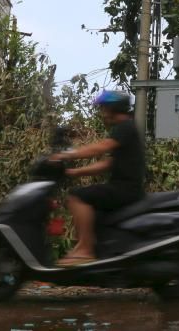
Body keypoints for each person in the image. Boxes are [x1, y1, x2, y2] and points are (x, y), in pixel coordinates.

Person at [50, 90, 145, 266]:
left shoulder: (125, 127)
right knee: (95, 212)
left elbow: (100, 147)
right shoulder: (126, 129)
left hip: (126, 189)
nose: (102, 113)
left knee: (77, 196)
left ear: (114, 109)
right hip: (125, 188)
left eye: (104, 109)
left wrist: (67, 155)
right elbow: (106, 164)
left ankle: (85, 249)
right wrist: (74, 173)